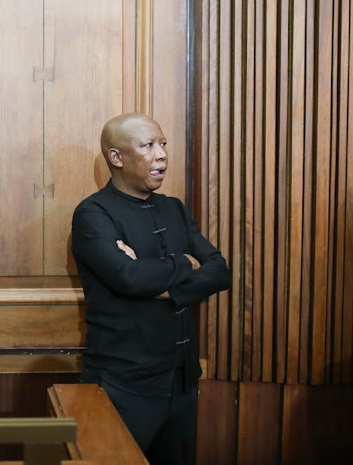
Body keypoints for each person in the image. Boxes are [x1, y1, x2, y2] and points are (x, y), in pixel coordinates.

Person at [70, 113, 230, 465]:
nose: (161, 155)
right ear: (116, 157)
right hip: (123, 383)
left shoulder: (173, 208)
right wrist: (186, 263)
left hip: (182, 380)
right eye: (148, 145)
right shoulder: (93, 214)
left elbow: (220, 272)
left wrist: (159, 284)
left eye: (163, 144)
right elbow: (129, 278)